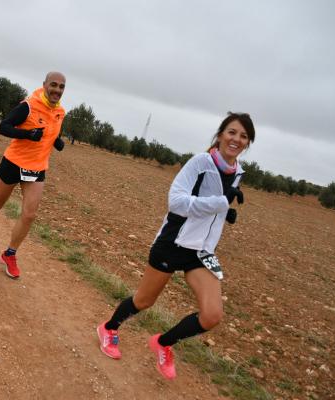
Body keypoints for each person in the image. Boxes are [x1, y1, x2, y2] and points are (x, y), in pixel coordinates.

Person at [96, 112, 255, 380]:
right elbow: (177, 202)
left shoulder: (236, 172)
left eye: (243, 136)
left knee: (212, 315)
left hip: (201, 251)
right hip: (173, 243)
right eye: (232, 132)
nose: (236, 139)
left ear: (248, 143)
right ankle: (109, 328)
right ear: (220, 135)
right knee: (144, 301)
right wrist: (220, 203)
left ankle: (163, 343)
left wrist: (223, 213)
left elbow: (211, 204)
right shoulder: (201, 163)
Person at [0, 72, 66, 279]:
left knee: (29, 214)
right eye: (54, 85)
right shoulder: (28, 106)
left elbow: (51, 132)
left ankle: (10, 253)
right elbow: (2, 127)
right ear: (45, 85)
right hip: (14, 162)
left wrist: (56, 141)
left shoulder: (60, 112)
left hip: (37, 168)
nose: (57, 90)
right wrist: (27, 134)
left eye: (61, 87)